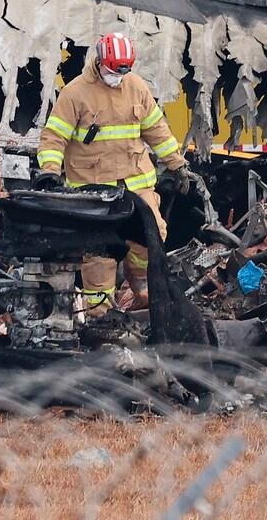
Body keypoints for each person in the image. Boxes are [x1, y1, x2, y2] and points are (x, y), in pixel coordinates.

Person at [35, 32, 188, 316]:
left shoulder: (136, 86)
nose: (117, 77)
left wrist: (177, 164)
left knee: (153, 233)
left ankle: (140, 286)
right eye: (112, 71)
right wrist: (50, 171)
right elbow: (54, 136)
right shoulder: (75, 93)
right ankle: (100, 314)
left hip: (136, 184)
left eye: (122, 72)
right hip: (94, 191)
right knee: (99, 253)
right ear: (99, 61)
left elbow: (157, 129)